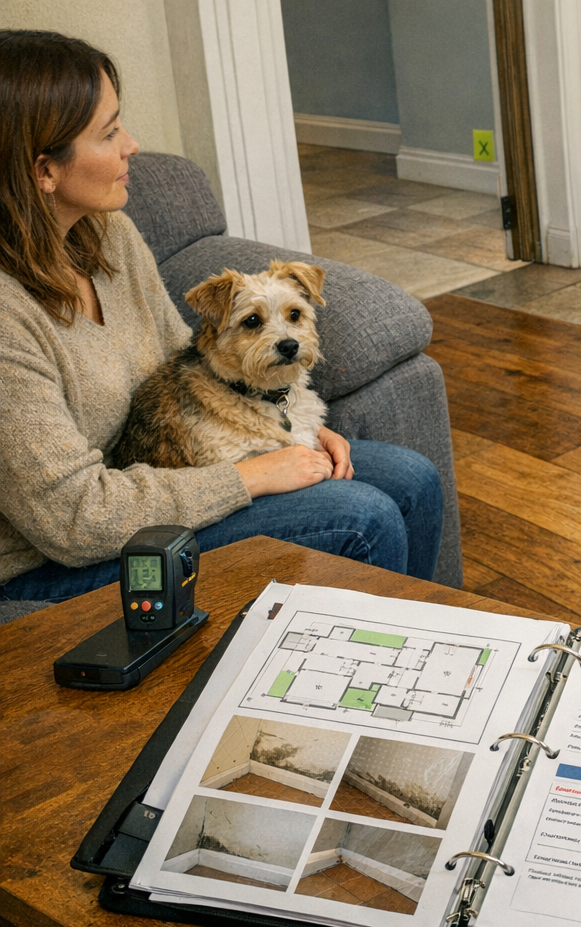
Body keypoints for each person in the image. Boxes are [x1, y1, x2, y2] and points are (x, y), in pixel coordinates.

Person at [0, 31, 443, 603]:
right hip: (52, 564)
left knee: (413, 480)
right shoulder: (10, 319)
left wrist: (291, 426)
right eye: (109, 134)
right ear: (44, 171)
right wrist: (253, 475)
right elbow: (74, 518)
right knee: (363, 516)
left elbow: (188, 362)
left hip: (167, 474)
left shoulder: (107, 233)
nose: (132, 145)